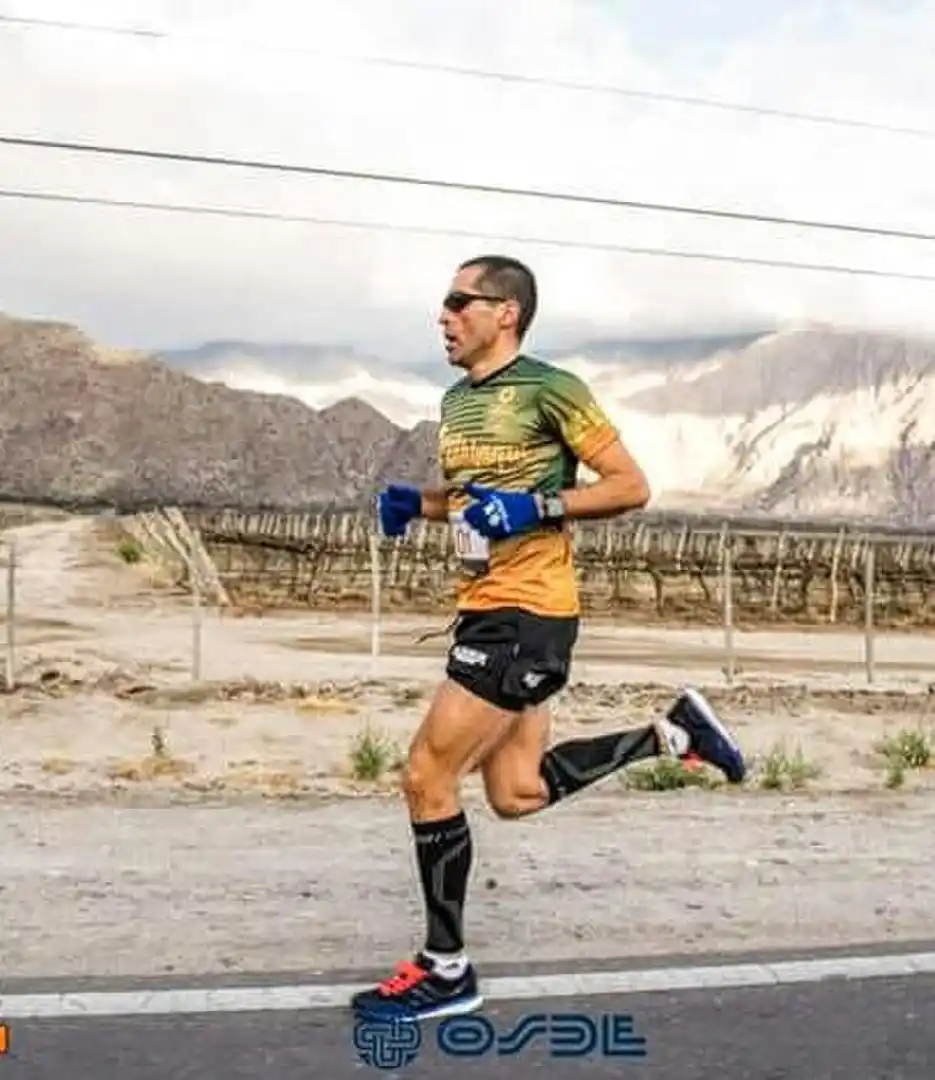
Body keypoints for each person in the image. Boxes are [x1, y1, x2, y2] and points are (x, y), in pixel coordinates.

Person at [351, 254, 746, 1022]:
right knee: (516, 793)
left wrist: (537, 509)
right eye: (442, 302)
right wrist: (421, 504)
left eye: (459, 301)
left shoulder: (550, 389)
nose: (443, 315)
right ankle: (670, 735)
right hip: (486, 608)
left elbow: (629, 486)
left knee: (426, 776)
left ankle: (445, 967)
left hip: (526, 614)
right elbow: (473, 504)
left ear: (506, 312)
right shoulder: (455, 402)